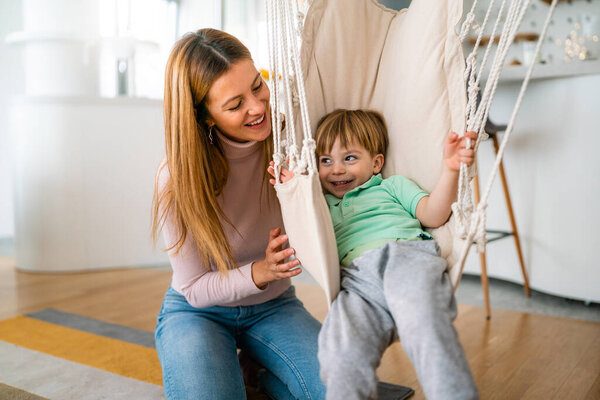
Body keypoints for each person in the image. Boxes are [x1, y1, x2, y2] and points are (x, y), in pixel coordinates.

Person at [151, 28, 326, 400]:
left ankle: (258, 373)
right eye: (235, 105)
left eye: (258, 85)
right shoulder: (176, 177)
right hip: (198, 311)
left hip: (273, 306)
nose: (258, 107)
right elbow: (195, 288)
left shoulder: (290, 140)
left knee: (341, 389)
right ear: (206, 117)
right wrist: (261, 271)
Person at [269, 109, 479, 400]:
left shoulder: (393, 186)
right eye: (326, 161)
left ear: (377, 163)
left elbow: (435, 214)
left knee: (424, 325)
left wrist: (451, 170)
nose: (337, 169)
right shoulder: (322, 204)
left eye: (350, 158)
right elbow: (304, 228)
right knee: (339, 353)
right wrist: (295, 188)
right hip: (357, 282)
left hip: (406, 258)